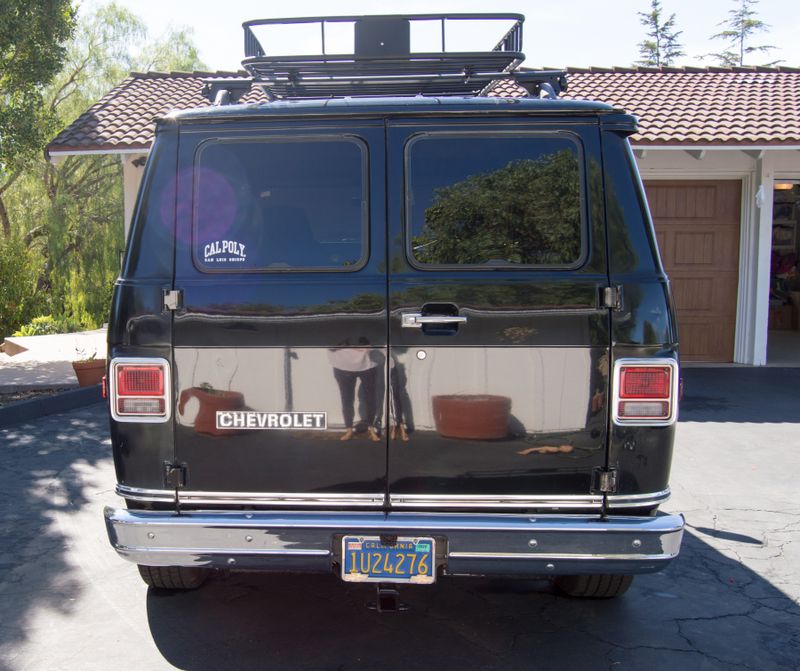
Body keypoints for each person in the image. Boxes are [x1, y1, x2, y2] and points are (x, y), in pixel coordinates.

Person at [328, 340, 380, 441]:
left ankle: (371, 428)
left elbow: (376, 342)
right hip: (342, 366)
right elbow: (329, 345)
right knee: (347, 399)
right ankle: (349, 430)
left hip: (367, 364)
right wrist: (347, 345)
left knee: (370, 398)